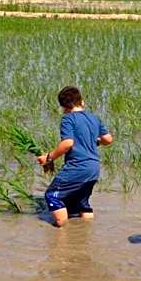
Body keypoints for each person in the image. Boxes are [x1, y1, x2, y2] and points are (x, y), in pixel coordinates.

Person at [37, 86, 112, 227]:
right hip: (94, 168)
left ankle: (62, 234)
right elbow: (108, 139)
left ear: (64, 108)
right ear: (82, 102)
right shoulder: (94, 118)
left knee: (52, 195)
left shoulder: (68, 119)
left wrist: (49, 157)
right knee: (81, 202)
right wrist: (94, 141)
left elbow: (67, 143)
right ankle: (84, 232)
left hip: (77, 167)